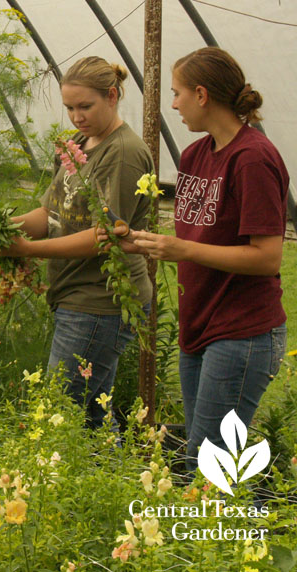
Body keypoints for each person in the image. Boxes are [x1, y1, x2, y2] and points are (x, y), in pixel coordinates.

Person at [122, 47, 289, 469]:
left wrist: (181, 250)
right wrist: (142, 241)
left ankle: (246, 528)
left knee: (206, 463)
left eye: (177, 93)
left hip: (242, 332)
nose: (173, 104)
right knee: (206, 457)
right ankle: (237, 527)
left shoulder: (252, 159)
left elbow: (268, 257)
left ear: (201, 94)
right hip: (200, 324)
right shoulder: (196, 156)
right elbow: (200, 233)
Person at [0, 56, 153, 428]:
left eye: (86, 106)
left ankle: (100, 480)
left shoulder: (123, 152)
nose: (77, 117)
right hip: (75, 297)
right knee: (90, 416)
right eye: (69, 107)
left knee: (62, 414)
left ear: (112, 96)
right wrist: (3, 227)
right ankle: (115, 482)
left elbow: (106, 238)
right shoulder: (79, 144)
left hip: (102, 300)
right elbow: (52, 214)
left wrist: (28, 250)